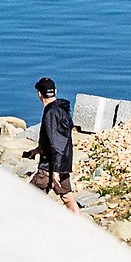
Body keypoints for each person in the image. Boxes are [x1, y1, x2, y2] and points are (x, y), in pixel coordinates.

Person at [26, 77, 79, 213]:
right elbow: (57, 139)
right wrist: (37, 150)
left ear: (39, 94)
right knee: (67, 197)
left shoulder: (50, 113)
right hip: (63, 163)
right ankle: (79, 225)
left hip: (49, 167)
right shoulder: (61, 109)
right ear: (55, 91)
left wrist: (55, 171)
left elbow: (56, 143)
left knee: (28, 196)